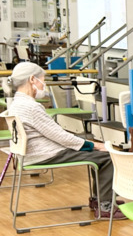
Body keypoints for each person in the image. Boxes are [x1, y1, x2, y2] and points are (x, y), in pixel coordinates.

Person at [2, 62, 122, 219]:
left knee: (96, 154)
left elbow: (56, 135)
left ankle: (99, 199)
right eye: (42, 81)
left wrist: (89, 146)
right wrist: (95, 145)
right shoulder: (31, 107)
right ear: (32, 80)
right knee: (106, 157)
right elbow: (61, 137)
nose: (44, 85)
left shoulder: (16, 103)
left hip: (30, 154)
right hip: (45, 154)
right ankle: (105, 206)